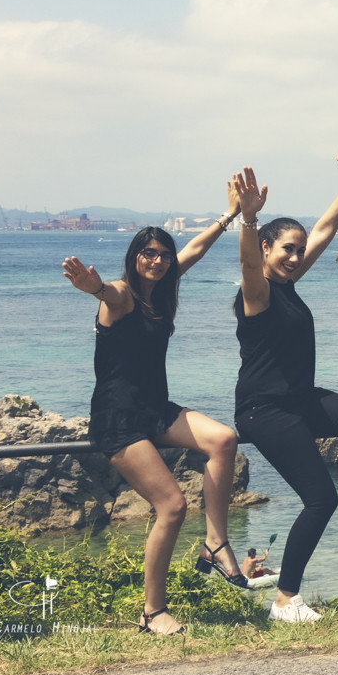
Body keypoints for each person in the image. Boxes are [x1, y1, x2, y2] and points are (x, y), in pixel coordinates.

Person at [61, 190, 244, 636]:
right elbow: (108, 291)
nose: (158, 261)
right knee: (172, 505)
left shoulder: (163, 290)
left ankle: (215, 543)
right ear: (134, 256)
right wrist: (93, 288)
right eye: (149, 253)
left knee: (223, 439)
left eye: (163, 255)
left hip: (155, 408)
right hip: (118, 417)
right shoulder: (122, 295)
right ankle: (152, 612)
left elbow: (195, 249)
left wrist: (230, 215)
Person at [231, 152, 338, 623]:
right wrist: (249, 218)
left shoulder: (287, 282)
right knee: (321, 498)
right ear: (265, 249)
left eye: (298, 250)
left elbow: (321, 233)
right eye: (286, 248)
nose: (296, 256)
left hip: (300, 400)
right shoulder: (257, 292)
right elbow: (246, 264)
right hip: (264, 410)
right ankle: (285, 600)